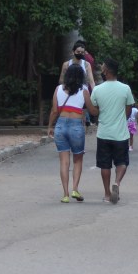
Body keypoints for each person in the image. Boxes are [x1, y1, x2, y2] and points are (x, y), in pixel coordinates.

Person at [84, 58, 134, 204]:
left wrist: (87, 98)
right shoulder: (125, 89)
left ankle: (107, 194)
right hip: (121, 134)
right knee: (122, 162)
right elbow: (129, 111)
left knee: (105, 165)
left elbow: (93, 112)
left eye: (103, 68)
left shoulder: (98, 90)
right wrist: (119, 119)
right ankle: (117, 183)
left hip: (104, 133)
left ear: (106, 71)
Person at [46, 64, 89, 203]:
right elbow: (90, 108)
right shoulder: (84, 90)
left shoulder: (58, 89)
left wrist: (50, 126)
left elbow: (54, 111)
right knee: (78, 159)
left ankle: (65, 194)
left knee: (64, 161)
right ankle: (75, 189)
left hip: (61, 125)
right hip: (76, 126)